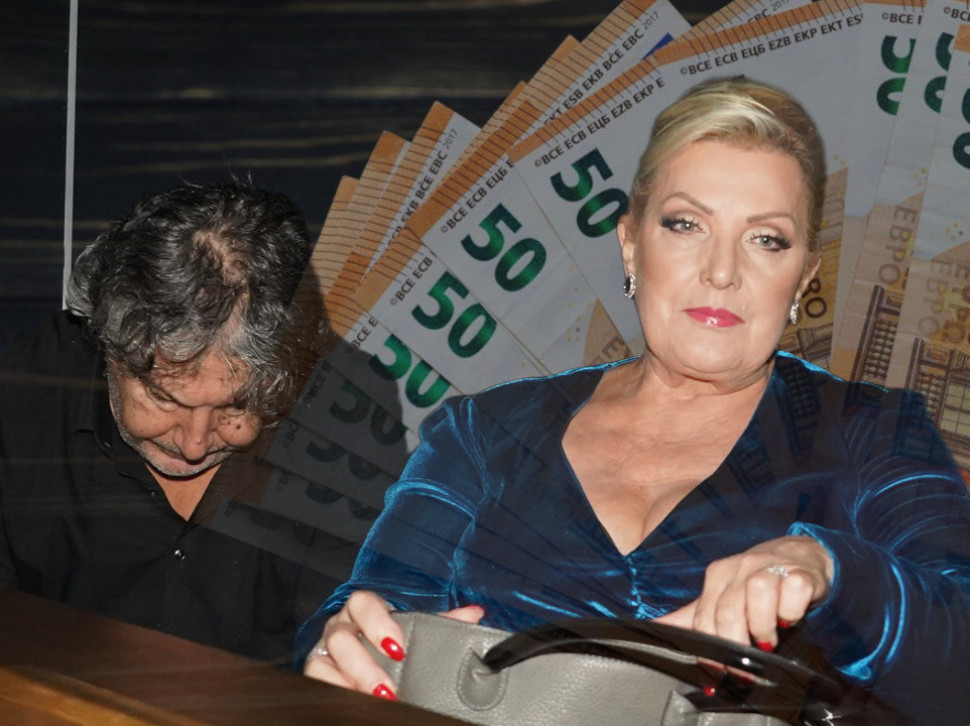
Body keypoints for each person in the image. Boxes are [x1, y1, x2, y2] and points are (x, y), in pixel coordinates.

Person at [295, 78, 970, 723]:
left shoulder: (875, 432)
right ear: (630, 245)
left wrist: (828, 569)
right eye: (686, 224)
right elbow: (367, 614)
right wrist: (340, 649)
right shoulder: (484, 431)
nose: (723, 271)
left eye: (766, 239)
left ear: (802, 277)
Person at [0, 179, 333, 663]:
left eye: (236, 407)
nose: (195, 444)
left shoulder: (344, 420)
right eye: (164, 398)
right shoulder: (31, 390)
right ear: (107, 346)